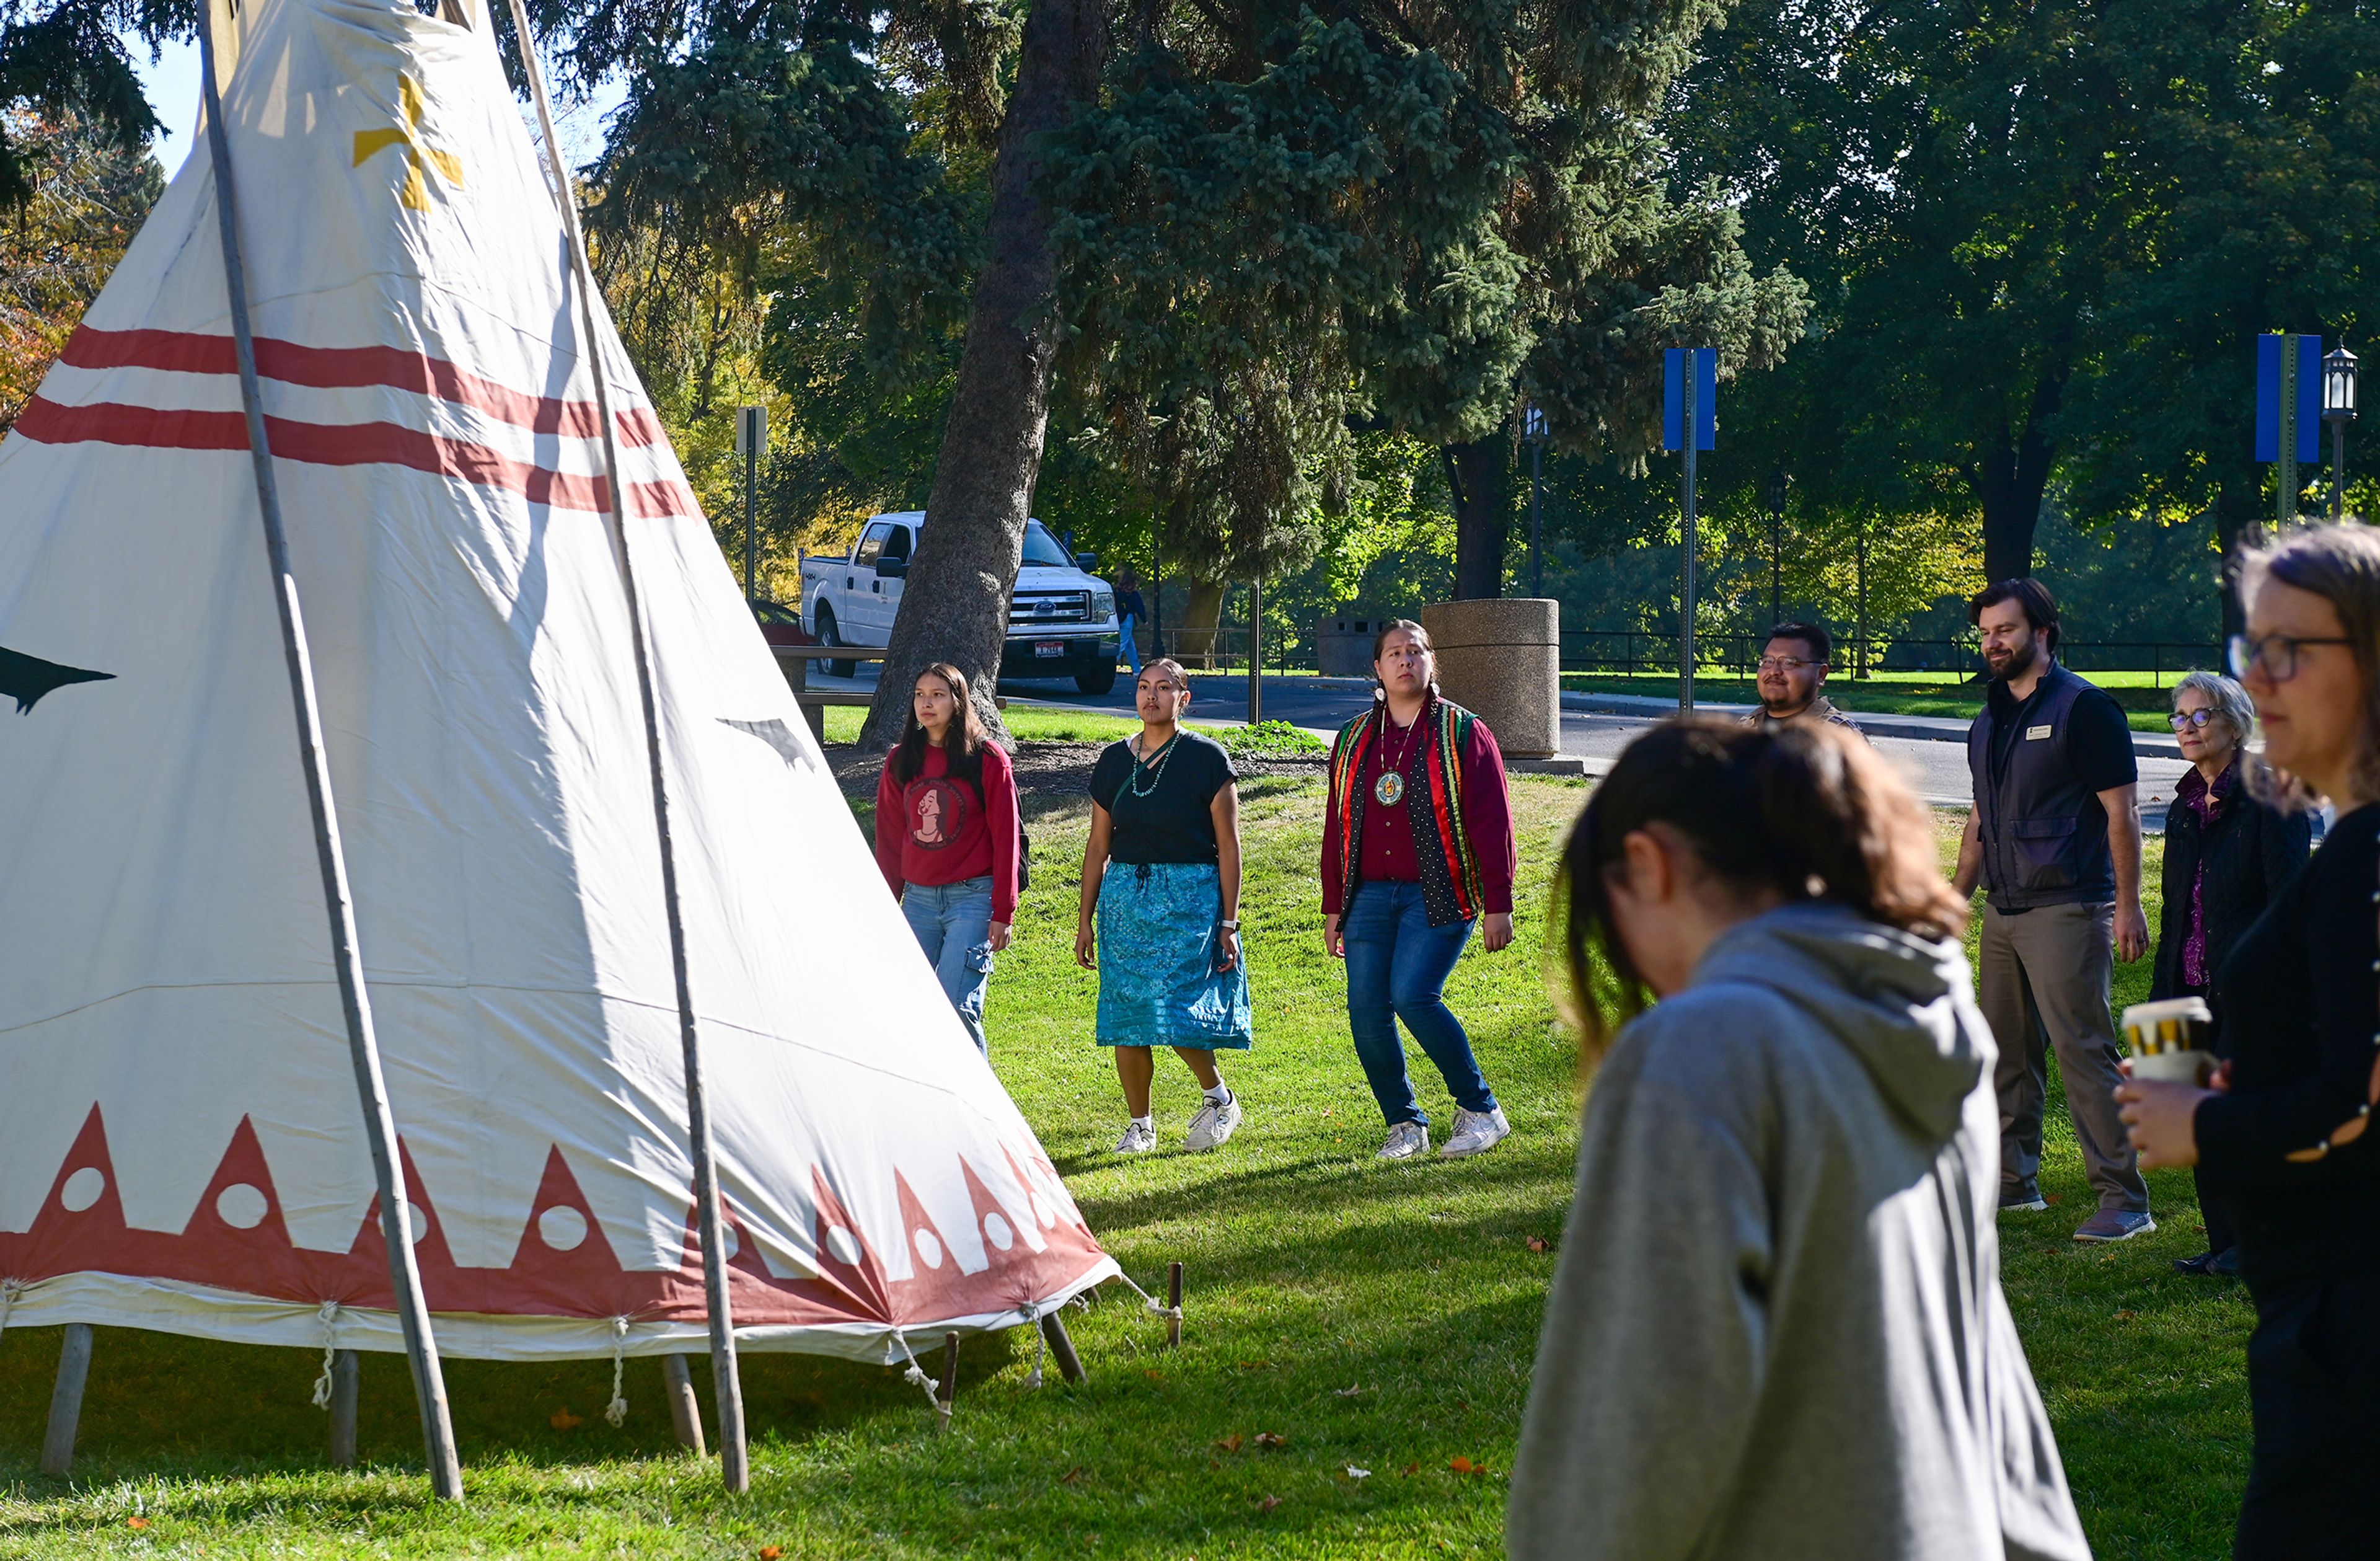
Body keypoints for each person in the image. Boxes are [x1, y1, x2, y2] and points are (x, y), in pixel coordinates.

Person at [1508, 719, 2089, 1561]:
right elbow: (1986, 1383)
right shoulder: (1929, 1024)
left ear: (1648, 862)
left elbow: (1631, 1438)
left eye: (1610, 926)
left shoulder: (1703, 1046)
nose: (1633, 972)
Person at [2117, 523, 2380, 1558]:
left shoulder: (2366, 856)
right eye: (2249, 648)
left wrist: (2210, 1124)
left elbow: (2360, 1106)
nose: (2256, 678)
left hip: (2349, 1327)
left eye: (2289, 649)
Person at [1952, 577, 2154, 1241]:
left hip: (2071, 906)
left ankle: (2124, 1201)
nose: (1992, 643)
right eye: (1985, 632)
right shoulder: (1988, 718)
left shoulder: (2086, 708)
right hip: (2003, 912)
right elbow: (1980, 817)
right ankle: (2014, 1184)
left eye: (2004, 630)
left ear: (2042, 631)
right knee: (2006, 1053)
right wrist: (1957, 898)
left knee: (2083, 1052)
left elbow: (2121, 815)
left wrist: (2128, 906)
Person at [1321, 620, 1517, 1160]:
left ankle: (1481, 1111)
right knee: (1366, 1011)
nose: (1405, 661)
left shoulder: (1462, 731)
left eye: (1415, 651)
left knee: (1413, 995)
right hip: (1368, 898)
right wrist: (1334, 905)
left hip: (1440, 890)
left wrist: (1500, 903)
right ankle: (1405, 1124)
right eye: (1393, 653)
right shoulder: (1355, 737)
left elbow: (1492, 821)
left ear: (1432, 662)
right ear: (1378, 669)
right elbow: (1337, 826)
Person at [2148, 670, 2311, 1278]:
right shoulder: (2185, 805)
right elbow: (2177, 908)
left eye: (2201, 715)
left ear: (2235, 723)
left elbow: (2290, 902)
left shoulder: (2272, 794)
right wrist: (2163, 998)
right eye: (2179, 717)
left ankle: (2260, 1242)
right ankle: (2223, 1244)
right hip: (2188, 986)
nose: (2187, 728)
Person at [1077, 658, 1248, 1152]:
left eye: (1165, 688)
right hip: (1125, 901)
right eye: (1144, 687)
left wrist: (1229, 922)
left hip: (1190, 901)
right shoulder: (1113, 761)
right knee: (1128, 1012)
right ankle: (1140, 1125)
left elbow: (1230, 846)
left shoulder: (1207, 759)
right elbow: (1097, 846)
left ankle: (1219, 1099)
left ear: (1184, 698)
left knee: (1175, 1009)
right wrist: (1085, 919)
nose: (1152, 696)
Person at [873, 663, 1019, 1058]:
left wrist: (1003, 910)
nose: (927, 703)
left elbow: (1006, 838)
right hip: (918, 901)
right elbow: (889, 840)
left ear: (958, 701)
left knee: (958, 1008)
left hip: (972, 900)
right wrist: (888, 905)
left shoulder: (987, 759)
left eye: (938, 694)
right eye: (920, 694)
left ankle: (983, 1118)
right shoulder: (901, 761)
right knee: (909, 1008)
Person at [1739, 619, 1864, 735]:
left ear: (1821, 674)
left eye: (1789, 663)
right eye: (1768, 661)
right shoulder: (1745, 728)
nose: (1774, 671)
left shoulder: (1838, 735)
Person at [1113, 567, 1147, 678]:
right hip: (1128, 618)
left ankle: (1137, 669)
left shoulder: (1117, 592)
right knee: (1122, 644)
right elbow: (1139, 606)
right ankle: (1110, 665)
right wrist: (1144, 619)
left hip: (1118, 619)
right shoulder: (1133, 593)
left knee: (1129, 646)